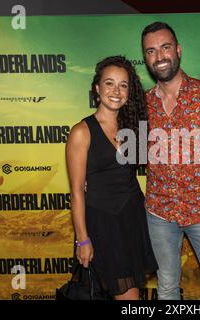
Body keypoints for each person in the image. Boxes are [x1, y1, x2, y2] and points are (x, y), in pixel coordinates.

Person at [141, 22, 200, 300]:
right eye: (151, 51)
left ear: (178, 50)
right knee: (167, 289)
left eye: (165, 47)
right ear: (145, 58)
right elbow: (116, 141)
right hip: (159, 215)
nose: (159, 57)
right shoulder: (143, 104)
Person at [65, 55, 158, 300]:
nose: (116, 91)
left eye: (123, 85)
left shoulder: (134, 127)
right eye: (109, 83)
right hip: (102, 224)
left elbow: (130, 173)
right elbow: (76, 192)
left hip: (132, 218)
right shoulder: (81, 132)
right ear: (97, 88)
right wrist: (82, 239)